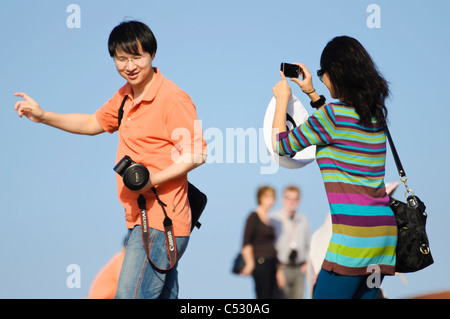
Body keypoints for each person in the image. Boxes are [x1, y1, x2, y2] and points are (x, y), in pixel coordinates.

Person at [14, 20, 207, 299]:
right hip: (138, 220)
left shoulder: (172, 98)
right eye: (121, 58)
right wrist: (44, 116)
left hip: (159, 221)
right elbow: (93, 122)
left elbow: (197, 152)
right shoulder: (124, 97)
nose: (129, 66)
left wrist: (153, 179)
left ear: (152, 55)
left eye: (137, 57)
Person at [272, 36, 397, 299]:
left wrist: (282, 99)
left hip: (352, 240)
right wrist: (310, 93)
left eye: (322, 72)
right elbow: (335, 128)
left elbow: (282, 145)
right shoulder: (374, 116)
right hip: (383, 238)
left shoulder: (332, 118)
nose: (322, 78)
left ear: (336, 72)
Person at [240, 186, 283, 299]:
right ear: (260, 198)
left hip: (272, 262)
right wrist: (250, 263)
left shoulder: (269, 219)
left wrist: (278, 270)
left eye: (273, 197)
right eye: (268, 197)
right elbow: (246, 242)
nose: (271, 201)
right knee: (264, 295)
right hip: (261, 262)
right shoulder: (253, 217)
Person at [269, 185, 310, 299]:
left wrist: (307, 263)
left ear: (299, 201)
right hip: (282, 267)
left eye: (295, 199)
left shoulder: (303, 219)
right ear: (283, 199)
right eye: (288, 198)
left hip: (299, 268)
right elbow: (270, 245)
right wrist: (276, 268)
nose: (291, 202)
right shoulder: (274, 219)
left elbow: (308, 243)